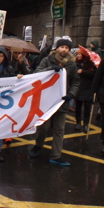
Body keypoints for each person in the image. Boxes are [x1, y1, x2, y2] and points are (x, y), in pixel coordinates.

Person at [29, 38, 79, 166]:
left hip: (62, 101)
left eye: (67, 48)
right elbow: (37, 73)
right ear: (57, 48)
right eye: (62, 47)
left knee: (59, 130)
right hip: (47, 101)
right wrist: (51, 69)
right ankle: (38, 145)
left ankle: (56, 156)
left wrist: (71, 94)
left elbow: (75, 82)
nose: (64, 50)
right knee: (44, 128)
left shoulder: (72, 65)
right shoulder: (47, 60)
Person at [75, 46, 97, 133]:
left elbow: (93, 75)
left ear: (84, 55)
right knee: (78, 106)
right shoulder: (76, 63)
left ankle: (86, 123)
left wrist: (83, 72)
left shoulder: (91, 64)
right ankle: (78, 123)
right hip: (79, 87)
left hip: (88, 88)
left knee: (87, 107)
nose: (78, 56)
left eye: (80, 54)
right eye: (77, 54)